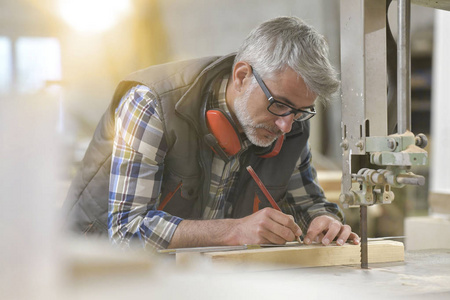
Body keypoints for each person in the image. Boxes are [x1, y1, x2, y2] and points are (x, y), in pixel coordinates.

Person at [63, 16, 360, 251]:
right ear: (242, 76)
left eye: (300, 111)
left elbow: (308, 203)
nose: (286, 125)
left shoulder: (290, 121)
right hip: (97, 271)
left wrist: (325, 223)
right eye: (279, 105)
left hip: (192, 273)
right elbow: (128, 231)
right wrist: (235, 229)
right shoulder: (153, 102)